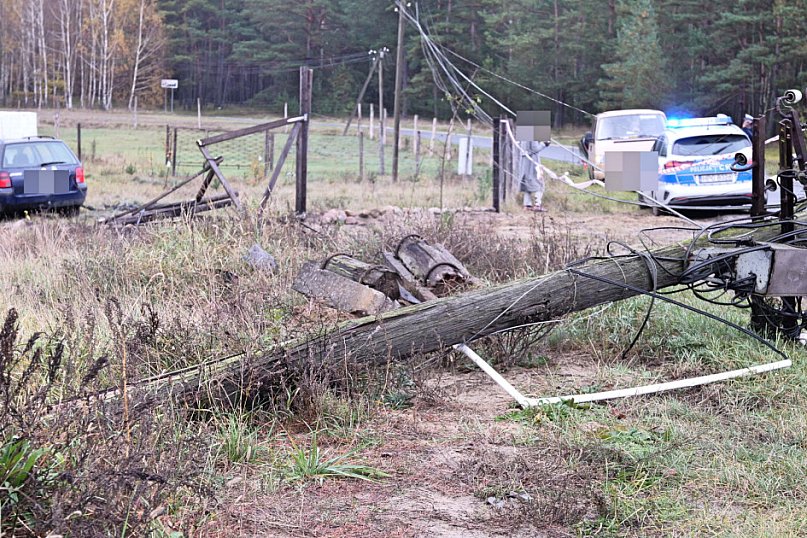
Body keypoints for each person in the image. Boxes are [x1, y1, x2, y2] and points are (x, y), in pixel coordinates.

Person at [519, 140, 550, 212]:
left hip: (524, 160)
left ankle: (527, 205)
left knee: (527, 183)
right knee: (540, 183)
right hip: (533, 161)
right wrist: (544, 144)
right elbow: (534, 148)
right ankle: (537, 205)